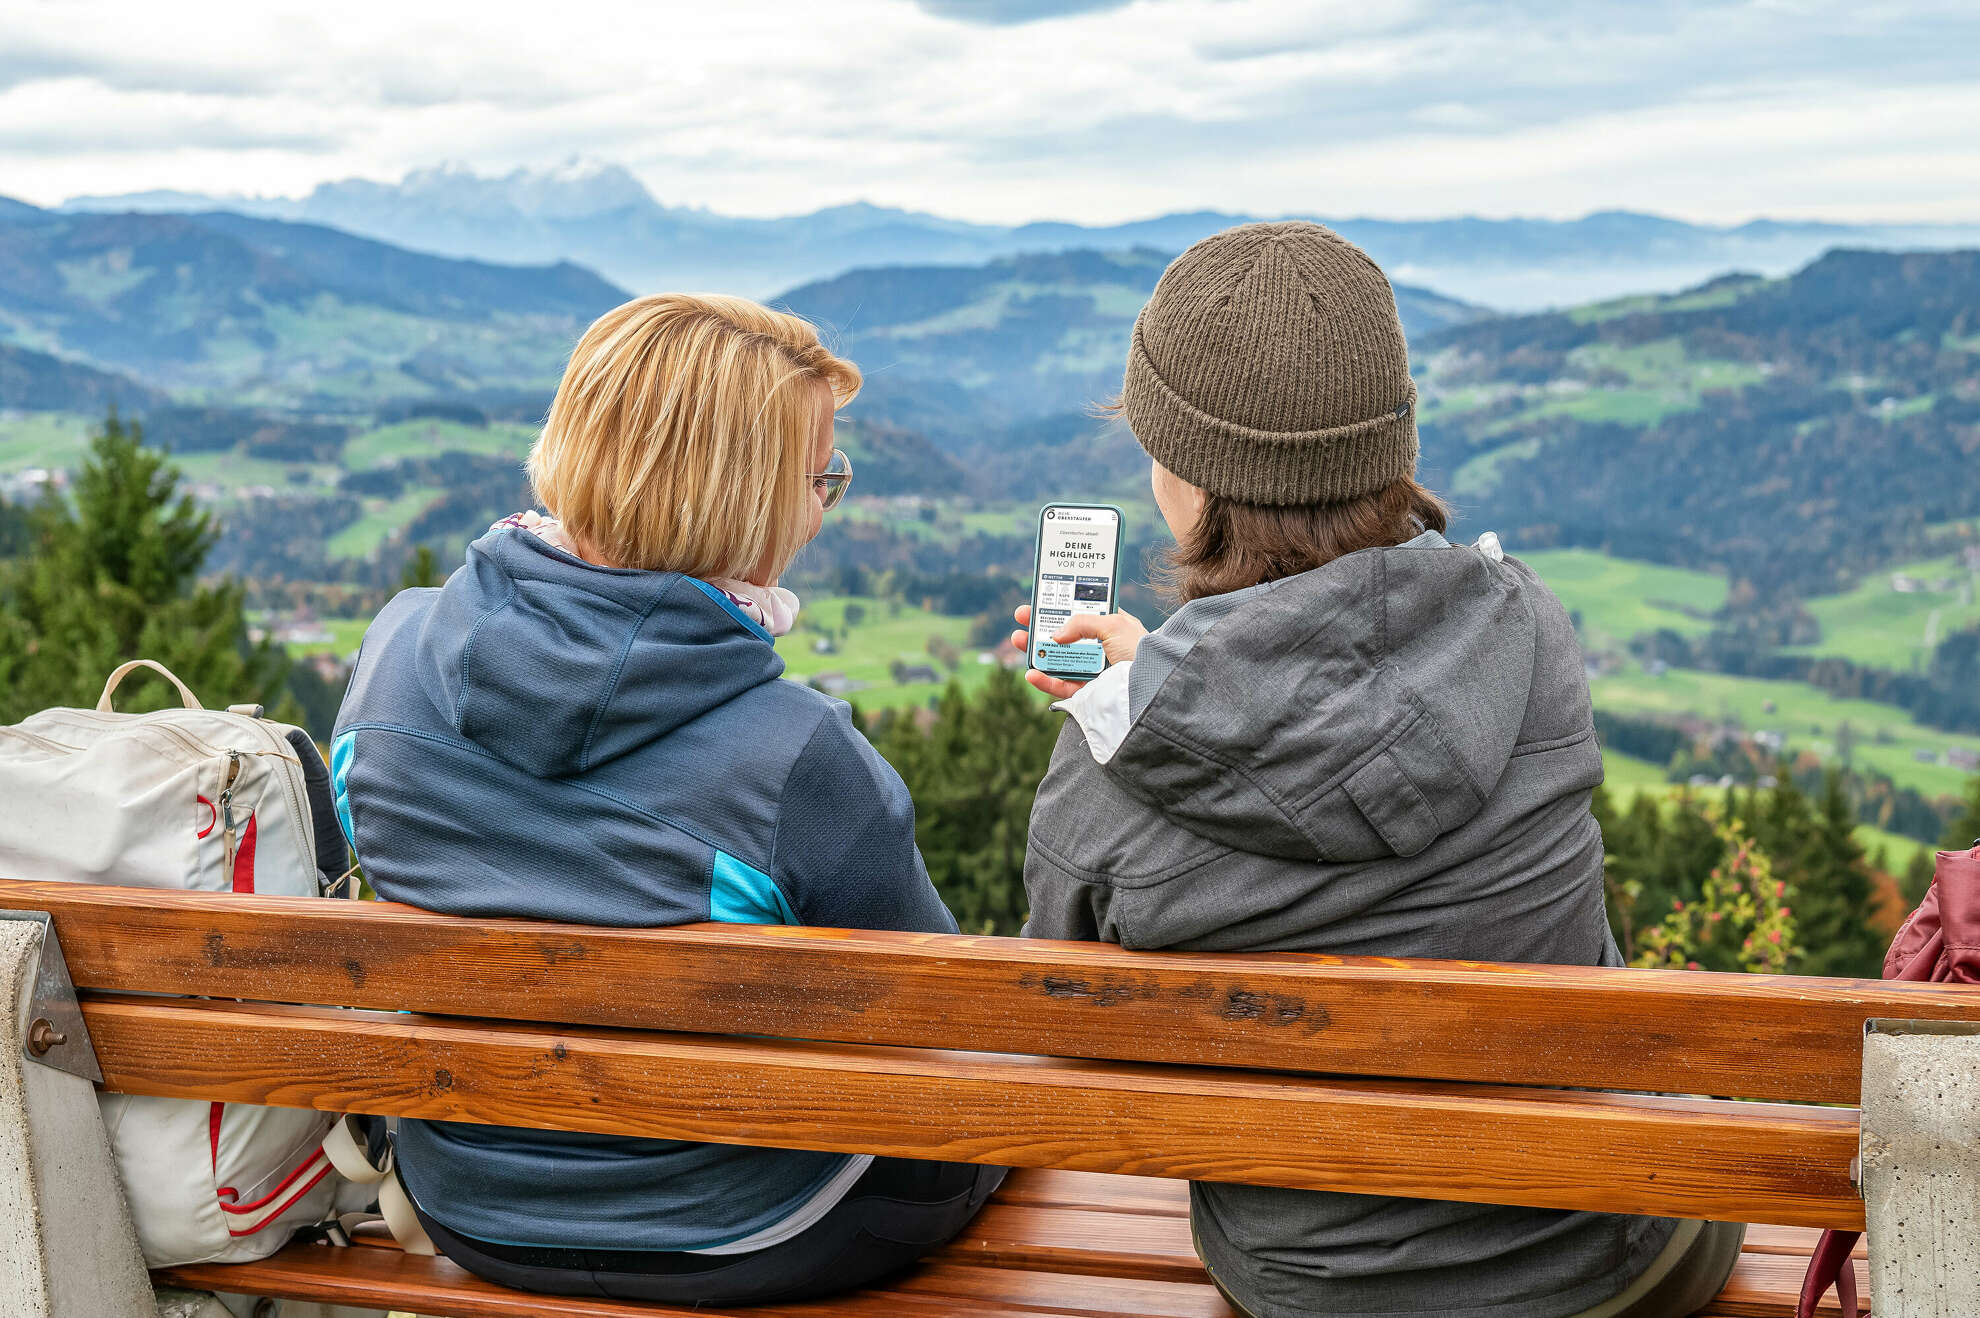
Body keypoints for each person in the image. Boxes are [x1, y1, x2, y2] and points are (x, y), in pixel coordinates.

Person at [1012, 223, 1745, 1318]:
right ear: (1389, 443)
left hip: (1315, 1288)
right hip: (1614, 1254)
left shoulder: (1110, 768)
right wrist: (1163, 683)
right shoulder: (1529, 635)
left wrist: (1145, 702)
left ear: (1187, 476)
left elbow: (1060, 1021)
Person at [331, 293, 1001, 1306]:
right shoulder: (800, 755)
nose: (826, 504)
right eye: (822, 478)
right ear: (748, 501)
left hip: (470, 1202)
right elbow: (935, 1021)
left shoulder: (390, 660)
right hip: (762, 1225)